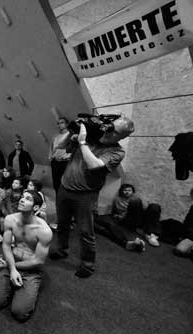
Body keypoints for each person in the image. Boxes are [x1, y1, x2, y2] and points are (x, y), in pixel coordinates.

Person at [49, 117, 134, 278]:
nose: (109, 131)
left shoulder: (117, 151)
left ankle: (88, 265)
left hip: (85, 195)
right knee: (62, 224)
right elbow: (61, 148)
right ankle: (61, 249)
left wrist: (82, 143)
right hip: (65, 188)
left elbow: (94, 165)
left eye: (115, 131)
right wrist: (73, 134)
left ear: (122, 137)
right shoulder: (91, 136)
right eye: (110, 127)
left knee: (86, 231)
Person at [0, 190, 52, 322]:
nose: (22, 200)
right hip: (13, 261)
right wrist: (11, 269)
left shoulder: (44, 231)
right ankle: (11, 282)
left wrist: (8, 266)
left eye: (28, 199)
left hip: (32, 270)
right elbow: (6, 245)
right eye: (22, 197)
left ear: (35, 207)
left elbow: (39, 261)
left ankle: (25, 289)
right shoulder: (10, 219)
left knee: (19, 313)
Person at [94, 184, 162, 252]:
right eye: (125, 190)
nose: (127, 192)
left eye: (129, 190)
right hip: (128, 219)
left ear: (132, 191)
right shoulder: (118, 199)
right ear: (121, 191)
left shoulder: (137, 198)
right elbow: (119, 213)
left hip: (140, 217)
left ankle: (151, 234)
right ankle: (136, 233)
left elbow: (145, 209)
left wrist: (143, 203)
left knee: (154, 206)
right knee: (134, 201)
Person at [49, 117, 72, 193]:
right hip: (55, 162)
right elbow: (51, 147)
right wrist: (50, 157)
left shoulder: (70, 134)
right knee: (56, 183)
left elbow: (73, 148)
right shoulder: (55, 136)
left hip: (65, 162)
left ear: (67, 124)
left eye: (62, 122)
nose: (60, 124)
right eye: (58, 123)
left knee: (65, 183)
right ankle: (58, 200)